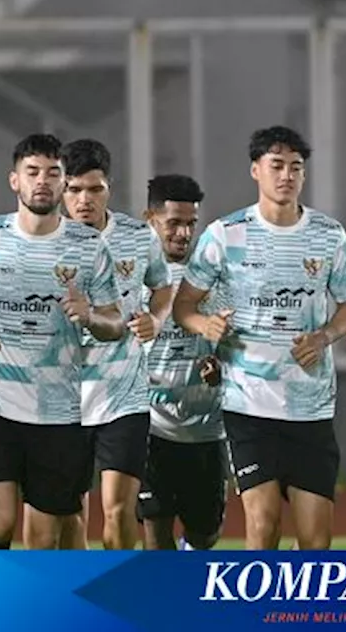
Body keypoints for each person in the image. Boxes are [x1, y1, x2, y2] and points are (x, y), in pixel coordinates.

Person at [173, 125, 346, 551]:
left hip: (310, 406)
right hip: (248, 404)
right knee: (264, 526)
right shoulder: (226, 234)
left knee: (316, 542)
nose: (287, 175)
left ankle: (301, 614)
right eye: (276, 165)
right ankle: (260, 617)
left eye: (296, 167)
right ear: (255, 170)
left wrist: (325, 336)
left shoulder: (328, 234)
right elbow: (184, 306)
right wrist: (206, 326)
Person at [0, 133, 123, 550]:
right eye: (32, 172)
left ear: (62, 183)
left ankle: (29, 610)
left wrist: (90, 315)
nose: (42, 181)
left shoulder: (89, 247)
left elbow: (116, 322)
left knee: (42, 538)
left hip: (58, 412)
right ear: (14, 181)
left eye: (52, 173)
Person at [46, 139, 171, 551]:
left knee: (118, 509)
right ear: (61, 189)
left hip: (124, 393)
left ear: (109, 189)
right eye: (75, 190)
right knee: (69, 515)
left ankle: (121, 594)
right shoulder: (40, 241)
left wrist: (155, 318)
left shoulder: (138, 237)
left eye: (94, 190)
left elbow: (163, 288)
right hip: (62, 397)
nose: (84, 200)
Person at [137, 174, 228, 551]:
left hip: (206, 430)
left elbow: (230, 338)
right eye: (173, 222)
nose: (183, 233)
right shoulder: (134, 277)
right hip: (149, 427)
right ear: (150, 219)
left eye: (191, 223)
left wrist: (221, 367)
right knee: (156, 536)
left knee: (205, 536)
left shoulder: (212, 277)